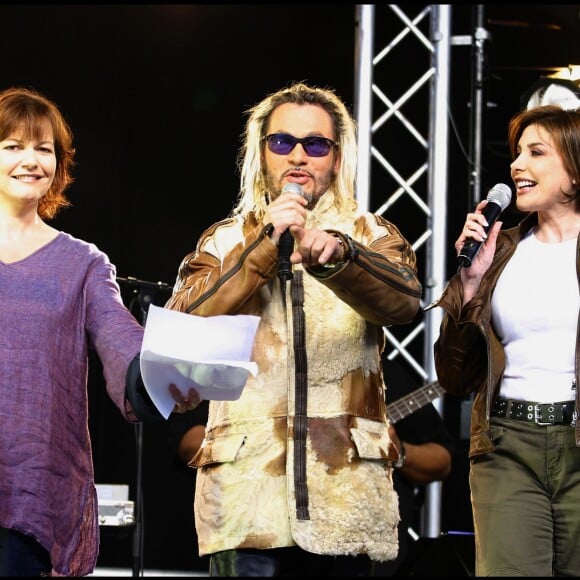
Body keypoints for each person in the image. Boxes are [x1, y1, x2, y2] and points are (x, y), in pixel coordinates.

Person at [164, 81, 423, 576]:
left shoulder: (370, 233)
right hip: (246, 501)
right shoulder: (225, 239)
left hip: (345, 497)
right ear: (261, 153)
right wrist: (265, 245)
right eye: (283, 142)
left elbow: (404, 303)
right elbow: (182, 325)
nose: (299, 156)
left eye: (316, 144)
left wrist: (340, 257)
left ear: (336, 156)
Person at [0, 86, 194, 577]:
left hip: (30, 486)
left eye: (44, 149)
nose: (30, 160)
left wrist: (158, 375)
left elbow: (118, 335)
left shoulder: (81, 263)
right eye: (13, 146)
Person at [432, 104, 580, 576]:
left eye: (536, 152)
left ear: (575, 173)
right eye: (517, 154)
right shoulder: (501, 252)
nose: (517, 165)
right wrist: (469, 284)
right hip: (507, 445)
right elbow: (454, 377)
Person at [169, 378, 454, 577]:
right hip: (265, 538)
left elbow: (442, 461)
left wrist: (396, 451)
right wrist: (278, 441)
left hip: (354, 546)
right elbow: (189, 442)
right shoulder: (254, 371)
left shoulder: (377, 372)